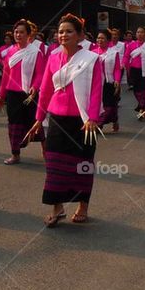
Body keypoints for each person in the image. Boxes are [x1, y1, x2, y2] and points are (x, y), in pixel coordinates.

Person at [28, 14, 103, 227]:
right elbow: (45, 90)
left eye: (69, 31)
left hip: (83, 122)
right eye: (61, 32)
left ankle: (83, 205)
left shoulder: (91, 59)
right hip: (57, 119)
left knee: (82, 165)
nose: (64, 35)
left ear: (80, 35)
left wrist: (93, 118)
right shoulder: (52, 57)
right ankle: (57, 207)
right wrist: (38, 118)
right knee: (55, 165)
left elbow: (96, 90)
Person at [0, 19, 45, 165]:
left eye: (21, 32)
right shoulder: (10, 51)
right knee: (14, 124)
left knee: (34, 122)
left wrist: (35, 87)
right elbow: (6, 75)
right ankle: (15, 154)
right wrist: (1, 94)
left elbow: (40, 73)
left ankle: (46, 151)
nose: (18, 34)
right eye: (16, 32)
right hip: (13, 93)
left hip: (30, 94)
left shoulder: (35, 52)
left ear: (28, 34)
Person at [94, 29, 122, 133]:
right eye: (98, 38)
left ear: (108, 40)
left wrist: (117, 81)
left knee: (109, 105)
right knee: (101, 104)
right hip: (97, 83)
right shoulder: (92, 53)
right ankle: (104, 122)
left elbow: (117, 69)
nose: (99, 40)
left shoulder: (114, 53)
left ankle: (100, 123)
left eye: (102, 38)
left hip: (110, 82)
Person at [125, 26, 145, 115]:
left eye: (141, 32)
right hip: (134, 70)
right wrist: (123, 64)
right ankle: (141, 103)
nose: (139, 34)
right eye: (138, 32)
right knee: (136, 89)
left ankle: (142, 105)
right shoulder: (131, 45)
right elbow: (126, 56)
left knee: (144, 89)